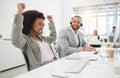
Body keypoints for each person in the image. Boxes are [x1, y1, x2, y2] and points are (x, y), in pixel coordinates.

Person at [11, 3, 57, 71]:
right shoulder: (25, 39)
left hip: (54, 64)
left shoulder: (41, 37)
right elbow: (15, 40)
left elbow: (53, 37)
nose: (42, 27)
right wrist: (19, 12)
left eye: (43, 25)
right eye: (39, 24)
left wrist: (51, 22)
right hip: (42, 70)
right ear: (30, 24)